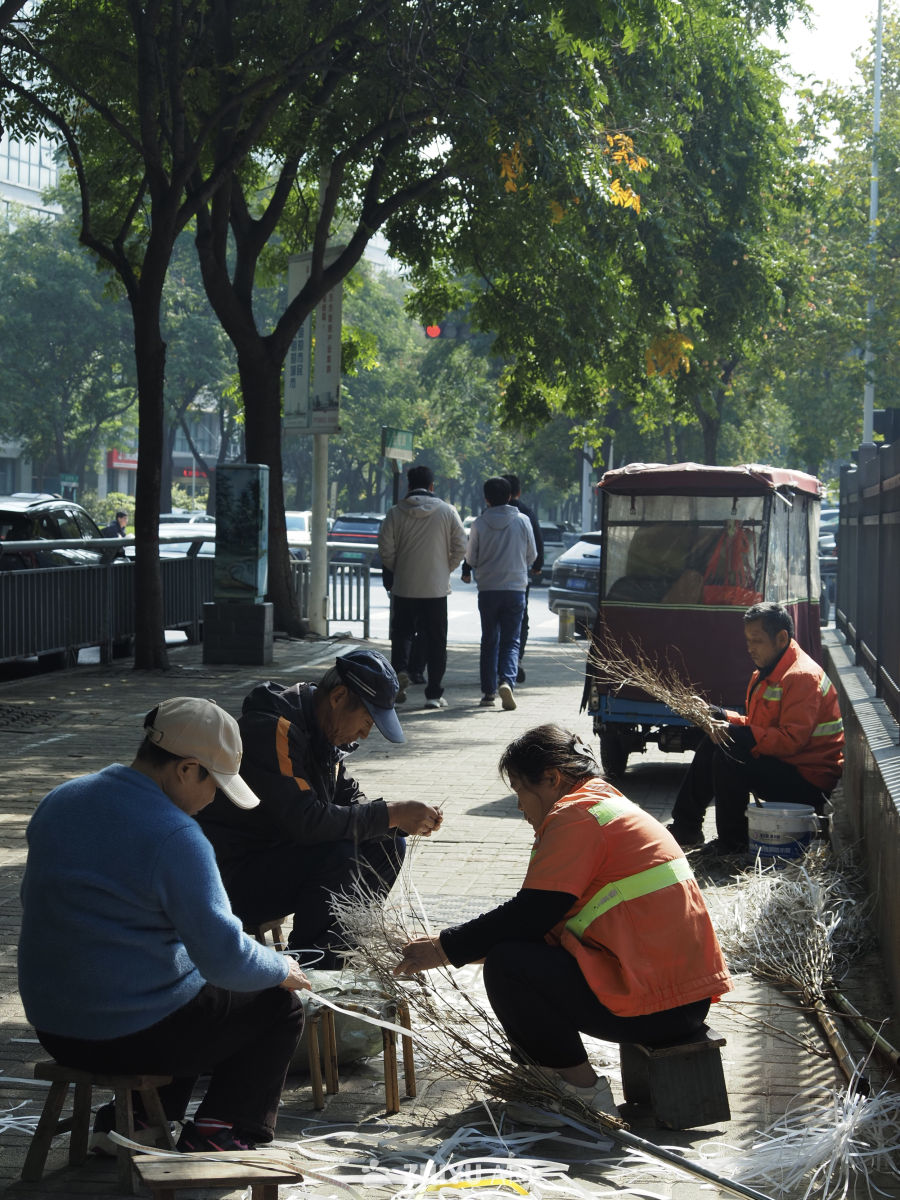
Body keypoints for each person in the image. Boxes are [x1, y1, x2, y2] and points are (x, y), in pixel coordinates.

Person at [395, 724, 731, 1121]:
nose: (519, 805)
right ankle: (552, 1081)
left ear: (552, 779)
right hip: (679, 999)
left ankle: (578, 1093)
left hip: (659, 1007)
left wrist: (442, 949)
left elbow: (529, 915)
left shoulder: (576, 816)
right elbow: (542, 924)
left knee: (510, 965)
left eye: (520, 790)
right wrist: (452, 947)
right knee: (515, 956)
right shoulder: (606, 805)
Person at [17, 697, 309, 1154]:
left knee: (192, 991)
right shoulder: (176, 835)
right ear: (187, 769)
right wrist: (280, 967)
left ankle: (130, 1121)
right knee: (277, 1005)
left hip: (54, 1026)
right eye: (214, 783)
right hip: (126, 1035)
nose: (214, 799)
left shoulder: (63, 799)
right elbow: (226, 957)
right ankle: (221, 1131)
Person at [197, 649, 443, 966]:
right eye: (367, 720)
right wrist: (391, 812)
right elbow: (306, 820)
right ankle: (317, 965)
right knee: (339, 853)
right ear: (338, 697)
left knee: (388, 841)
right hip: (231, 876)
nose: (366, 734)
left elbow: (349, 802)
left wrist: (397, 820)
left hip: (278, 862)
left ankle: (341, 947)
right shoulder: (274, 727)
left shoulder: (325, 735)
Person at [667, 602, 844, 856]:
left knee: (729, 753)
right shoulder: (769, 671)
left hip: (809, 781)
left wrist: (734, 732)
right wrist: (718, 714)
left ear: (781, 638)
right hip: (787, 766)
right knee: (714, 741)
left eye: (757, 640)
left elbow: (791, 740)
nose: (750, 648)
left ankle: (733, 844)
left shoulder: (801, 676)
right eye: (748, 640)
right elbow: (759, 725)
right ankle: (686, 827)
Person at [378, 464, 466, 709]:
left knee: (401, 635)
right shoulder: (447, 511)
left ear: (408, 485)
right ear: (431, 486)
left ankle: (399, 677)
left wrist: (401, 568)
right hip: (435, 589)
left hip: (404, 587)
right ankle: (433, 694)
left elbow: (385, 549)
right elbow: (461, 546)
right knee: (437, 640)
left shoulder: (395, 513)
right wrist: (444, 568)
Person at [461, 476, 536, 710]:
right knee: (511, 640)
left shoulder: (479, 524)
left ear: (486, 498)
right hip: (515, 589)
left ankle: (487, 692)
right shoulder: (522, 521)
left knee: (489, 640)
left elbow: (471, 557)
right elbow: (532, 555)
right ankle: (507, 681)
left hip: (488, 589)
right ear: (511, 495)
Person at [502, 474, 543, 684]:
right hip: (519, 578)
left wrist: (468, 569)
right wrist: (535, 565)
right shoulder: (525, 513)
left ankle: (495, 667)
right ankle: (514, 662)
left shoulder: (486, 514)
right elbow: (536, 542)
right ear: (517, 492)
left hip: (491, 582)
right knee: (520, 621)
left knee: (493, 626)